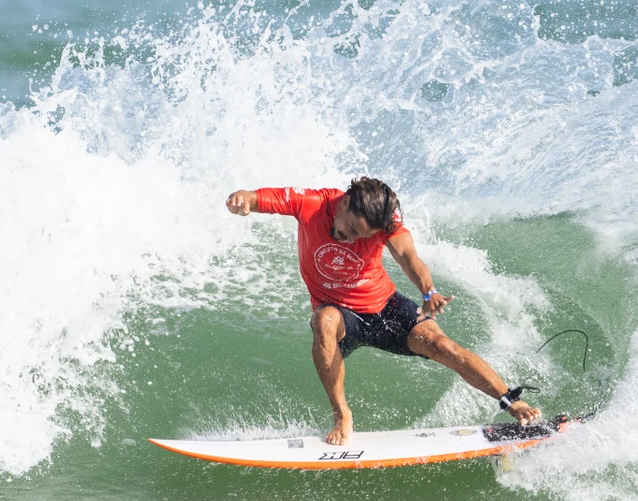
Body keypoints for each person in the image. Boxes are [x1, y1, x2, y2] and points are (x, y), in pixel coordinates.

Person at [225, 177, 541, 445]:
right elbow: (259, 198)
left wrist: (428, 290)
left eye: (359, 236)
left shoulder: (386, 225)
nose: (350, 239)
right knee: (324, 320)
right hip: (341, 314)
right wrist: (242, 200)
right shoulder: (311, 204)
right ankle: (342, 415)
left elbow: (408, 257)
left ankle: (511, 402)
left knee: (443, 346)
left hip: (385, 308)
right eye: (350, 228)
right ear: (344, 203)